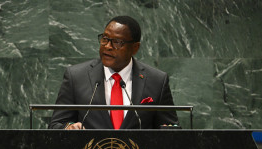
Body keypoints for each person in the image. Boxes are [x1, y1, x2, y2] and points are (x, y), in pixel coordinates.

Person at [49, 16, 178, 129]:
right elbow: (56, 125)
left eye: (117, 42)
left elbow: (170, 131)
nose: (108, 46)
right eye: (105, 39)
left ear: (135, 48)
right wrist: (69, 128)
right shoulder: (76, 77)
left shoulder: (157, 80)